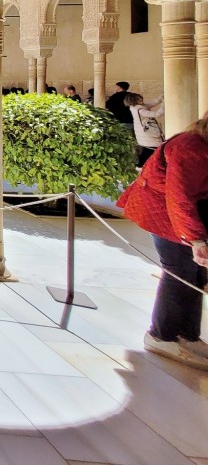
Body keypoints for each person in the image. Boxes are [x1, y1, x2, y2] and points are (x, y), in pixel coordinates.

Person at [117, 111, 208, 370]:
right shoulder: (189, 147)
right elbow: (179, 198)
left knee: (193, 274)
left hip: (178, 216)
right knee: (179, 271)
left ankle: (187, 336)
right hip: (163, 214)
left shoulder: (200, 143)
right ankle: (162, 335)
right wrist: (196, 239)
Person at [125, 92, 164, 166]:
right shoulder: (140, 110)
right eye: (139, 99)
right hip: (147, 134)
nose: (142, 100)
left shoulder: (135, 107)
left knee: (148, 150)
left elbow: (152, 103)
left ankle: (141, 166)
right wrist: (164, 105)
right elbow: (157, 114)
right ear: (135, 100)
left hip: (144, 134)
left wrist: (160, 97)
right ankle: (141, 166)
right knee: (150, 151)